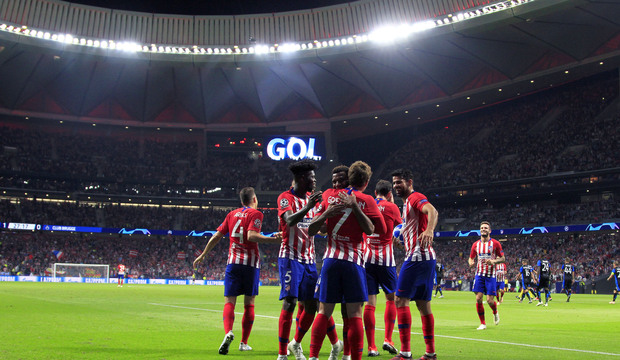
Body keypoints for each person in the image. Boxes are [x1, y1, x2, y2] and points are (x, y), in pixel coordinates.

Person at [308, 160, 386, 360]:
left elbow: (313, 229)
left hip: (331, 261)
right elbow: (377, 230)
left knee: (323, 311)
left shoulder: (328, 195)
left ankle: (313, 356)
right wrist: (356, 208)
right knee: (354, 315)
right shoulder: (366, 200)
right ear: (367, 181)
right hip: (353, 262)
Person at [193, 187, 282, 355]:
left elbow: (216, 236)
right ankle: (243, 342)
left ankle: (228, 332)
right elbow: (251, 236)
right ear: (254, 199)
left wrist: (203, 254)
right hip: (250, 264)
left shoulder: (231, 214)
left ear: (242, 201)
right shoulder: (256, 214)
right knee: (249, 304)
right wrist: (272, 240)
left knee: (229, 302)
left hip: (233, 263)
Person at [276, 160, 341, 360]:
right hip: (290, 258)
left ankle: (295, 343)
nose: (315, 181)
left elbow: (316, 227)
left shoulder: (312, 200)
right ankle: (281, 354)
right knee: (290, 302)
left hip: (309, 260)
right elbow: (289, 220)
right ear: (303, 178)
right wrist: (309, 206)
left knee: (313, 305)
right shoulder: (285, 198)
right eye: (312, 177)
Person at [390, 168, 439, 360]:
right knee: (423, 305)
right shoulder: (406, 205)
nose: (396, 186)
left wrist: (430, 230)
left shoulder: (415, 198)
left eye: (399, 182)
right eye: (394, 183)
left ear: (409, 182)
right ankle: (430, 353)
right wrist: (402, 246)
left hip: (418, 258)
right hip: (422, 256)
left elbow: (432, 210)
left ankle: (405, 352)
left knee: (400, 300)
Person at [362, 180, 402, 356]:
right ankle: (388, 339)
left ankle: (371, 347)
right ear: (389, 192)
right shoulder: (392, 207)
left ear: (375, 191)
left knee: (370, 303)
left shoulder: (367, 205)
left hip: (367, 259)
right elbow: (400, 229)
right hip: (386, 260)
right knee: (391, 299)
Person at [467, 221, 504, 330]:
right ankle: (483, 323)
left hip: (491, 275)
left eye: (486, 228)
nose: (483, 229)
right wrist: (470, 262)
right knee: (478, 298)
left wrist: (493, 261)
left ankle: (495, 311)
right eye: (482, 228)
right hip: (479, 274)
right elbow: (471, 257)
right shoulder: (475, 245)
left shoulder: (495, 244)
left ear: (489, 231)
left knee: (489, 301)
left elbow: (503, 258)